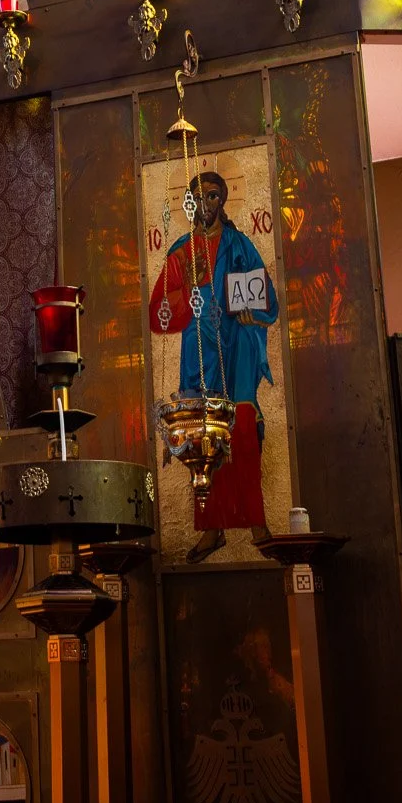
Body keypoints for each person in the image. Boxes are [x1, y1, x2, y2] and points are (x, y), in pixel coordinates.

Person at [148, 171, 280, 562]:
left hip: (237, 348)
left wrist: (250, 314)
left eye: (212, 196)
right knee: (202, 437)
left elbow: (267, 300)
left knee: (240, 428)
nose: (205, 204)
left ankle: (257, 523)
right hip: (199, 355)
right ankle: (211, 529)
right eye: (198, 197)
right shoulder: (181, 251)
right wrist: (187, 289)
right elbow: (158, 315)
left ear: (222, 200)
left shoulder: (240, 246)